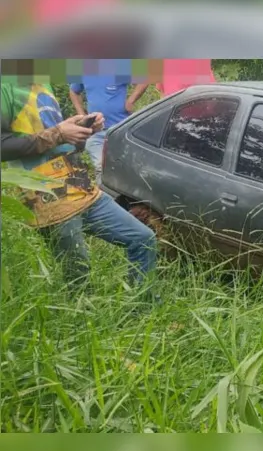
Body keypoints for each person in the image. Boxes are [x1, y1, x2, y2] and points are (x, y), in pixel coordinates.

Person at [1, 79, 157, 295]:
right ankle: (87, 323)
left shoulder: (43, 80)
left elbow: (57, 140)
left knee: (143, 239)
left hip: (82, 188)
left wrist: (82, 130)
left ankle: (143, 308)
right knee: (79, 280)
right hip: (48, 199)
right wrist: (59, 133)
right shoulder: (5, 85)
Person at [68, 61, 149, 184]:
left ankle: (124, 199)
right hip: (95, 131)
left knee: (125, 168)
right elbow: (74, 91)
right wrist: (81, 115)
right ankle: (107, 198)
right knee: (101, 167)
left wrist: (130, 101)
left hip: (120, 129)